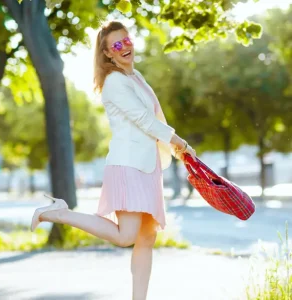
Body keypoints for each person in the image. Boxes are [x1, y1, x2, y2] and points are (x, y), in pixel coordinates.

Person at [31, 20, 197, 300]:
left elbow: (155, 119)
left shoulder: (136, 77)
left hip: (147, 166)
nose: (125, 47)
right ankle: (58, 213)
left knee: (147, 237)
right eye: (116, 45)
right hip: (128, 166)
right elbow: (144, 121)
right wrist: (179, 142)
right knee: (126, 236)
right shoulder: (114, 83)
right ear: (108, 54)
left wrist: (174, 149)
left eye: (127, 40)